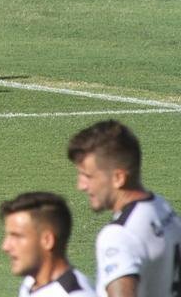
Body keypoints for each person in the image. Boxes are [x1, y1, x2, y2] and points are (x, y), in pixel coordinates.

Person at [67, 120, 181, 297]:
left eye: (88, 176)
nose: (81, 185)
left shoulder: (119, 235)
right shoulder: (162, 208)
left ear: (118, 178)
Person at [0, 191, 95, 296]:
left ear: (47, 241)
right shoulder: (31, 283)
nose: (5, 246)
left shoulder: (74, 294)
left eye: (17, 236)